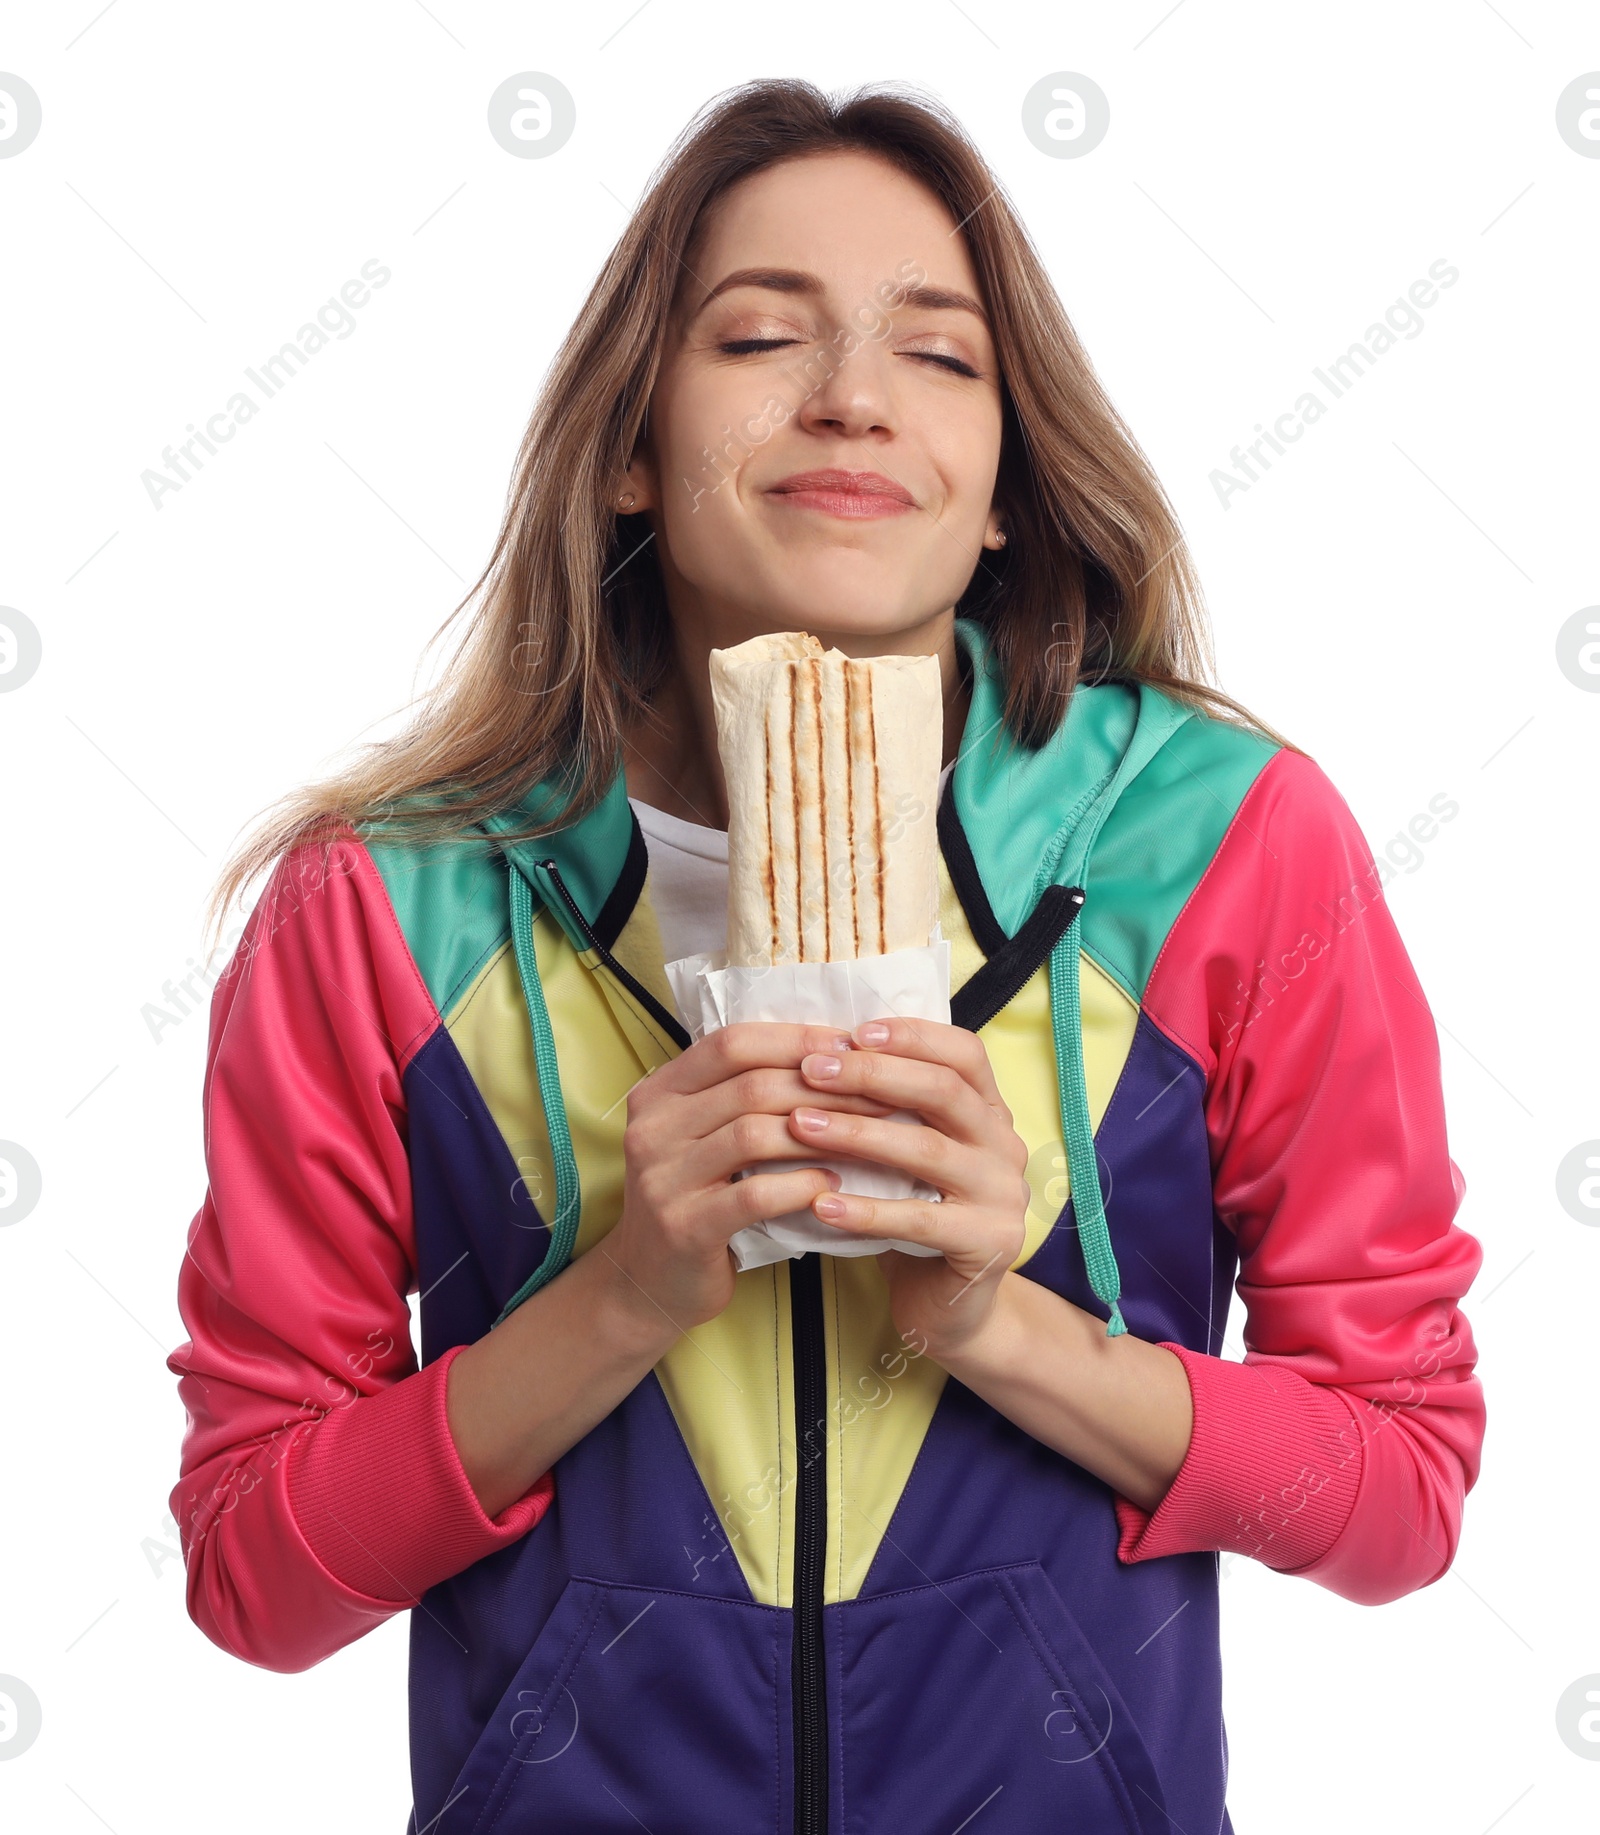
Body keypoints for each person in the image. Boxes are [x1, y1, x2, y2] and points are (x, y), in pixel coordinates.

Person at [168, 78, 1486, 1835]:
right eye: (761, 336)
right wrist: (624, 1295)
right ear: (632, 442)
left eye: (939, 355)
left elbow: (1399, 1489)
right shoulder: (385, 912)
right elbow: (259, 1570)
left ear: (1006, 481)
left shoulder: (1230, 847)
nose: (853, 395)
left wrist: (991, 1325)